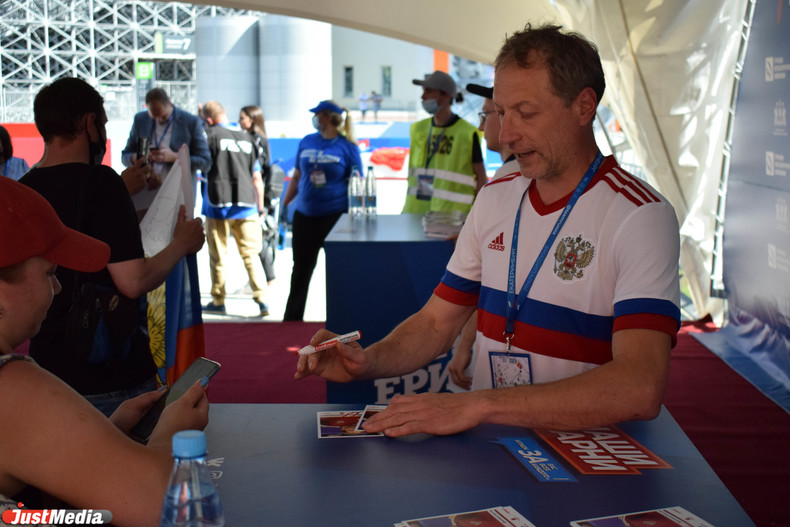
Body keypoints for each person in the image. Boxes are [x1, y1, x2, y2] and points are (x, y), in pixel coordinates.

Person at [295, 24, 681, 438]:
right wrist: (367, 361)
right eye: (501, 112)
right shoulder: (496, 196)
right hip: (488, 450)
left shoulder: (639, 215)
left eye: (526, 113)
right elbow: (436, 324)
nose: (508, 135)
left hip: (582, 454)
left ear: (584, 106)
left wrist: (479, 405)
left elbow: (639, 386)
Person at [0, 176, 209, 526]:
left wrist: (106, 436)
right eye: (49, 272)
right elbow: (158, 505)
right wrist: (173, 431)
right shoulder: (10, 386)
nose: (57, 286)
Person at [20, 77, 206, 416]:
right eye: (103, 124)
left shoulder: (23, 190)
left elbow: (79, 236)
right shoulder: (102, 184)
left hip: (46, 369)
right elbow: (132, 280)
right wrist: (181, 244)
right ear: (89, 123)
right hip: (110, 372)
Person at [448, 83, 521, 390]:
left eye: (486, 115)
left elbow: (489, 281)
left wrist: (464, 345)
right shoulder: (509, 178)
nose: (480, 126)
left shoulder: (509, 182)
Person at [281, 100, 362, 321]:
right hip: (305, 216)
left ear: (327, 117)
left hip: (335, 218)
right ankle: (291, 320)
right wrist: (285, 204)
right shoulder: (307, 141)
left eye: (317, 114)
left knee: (338, 272)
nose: (315, 118)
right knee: (300, 270)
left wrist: (357, 218)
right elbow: (297, 176)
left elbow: (358, 183)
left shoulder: (347, 147)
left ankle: (340, 320)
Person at [201, 100, 269, 317]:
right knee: (251, 255)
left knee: (218, 256)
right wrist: (260, 207)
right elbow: (256, 177)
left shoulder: (209, 135)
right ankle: (263, 300)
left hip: (217, 203)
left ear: (208, 119)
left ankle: (218, 300)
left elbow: (201, 165)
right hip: (246, 204)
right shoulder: (246, 137)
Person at [402, 71, 487, 214]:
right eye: (423, 91)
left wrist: (477, 215)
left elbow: (481, 177)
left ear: (446, 96)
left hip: (454, 217)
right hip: (415, 212)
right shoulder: (418, 129)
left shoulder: (467, 133)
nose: (423, 97)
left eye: (429, 91)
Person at [121, 87, 212, 216]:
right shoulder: (140, 120)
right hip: (145, 198)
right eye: (154, 117)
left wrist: (176, 157)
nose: (159, 120)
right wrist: (135, 158)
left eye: (163, 116)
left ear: (170, 104)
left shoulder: (190, 122)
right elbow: (125, 155)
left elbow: (206, 162)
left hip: (177, 197)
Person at [239, 104, 276, 285]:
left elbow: (257, 174)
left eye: (242, 118)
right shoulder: (250, 138)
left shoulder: (257, 140)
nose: (239, 122)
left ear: (252, 119)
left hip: (259, 197)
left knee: (258, 239)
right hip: (256, 196)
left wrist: (261, 205)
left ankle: (268, 278)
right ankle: (259, 279)